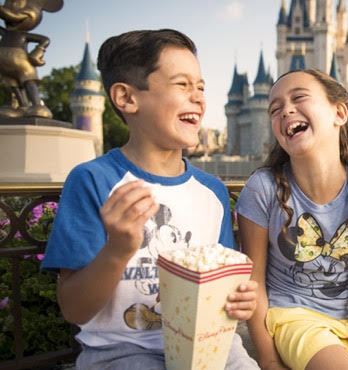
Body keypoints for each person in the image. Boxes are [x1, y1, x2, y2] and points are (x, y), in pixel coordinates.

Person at [40, 29, 259, 370]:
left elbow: (223, 285)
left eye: (201, 87)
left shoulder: (212, 193)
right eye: (182, 85)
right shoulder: (94, 181)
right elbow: (74, 308)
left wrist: (239, 298)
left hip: (212, 346)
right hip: (122, 352)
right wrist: (118, 249)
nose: (199, 98)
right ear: (127, 98)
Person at [236, 69, 348, 370]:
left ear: (339, 112)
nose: (285, 109)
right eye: (274, 109)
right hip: (296, 318)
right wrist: (269, 360)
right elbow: (254, 282)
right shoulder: (263, 189)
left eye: (299, 97)